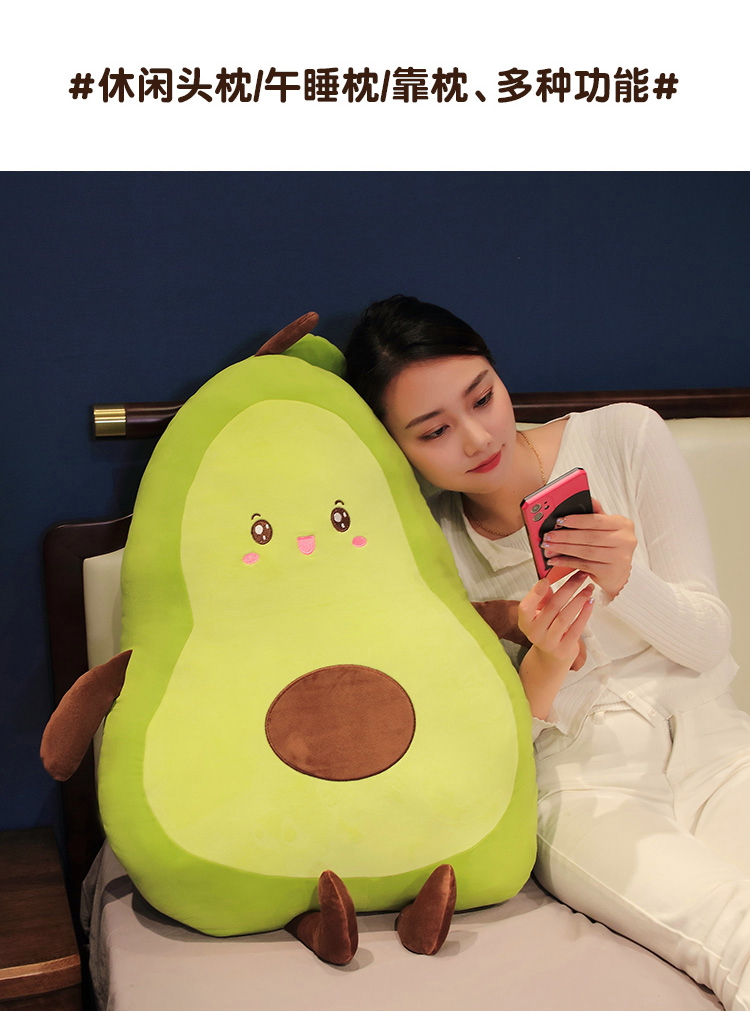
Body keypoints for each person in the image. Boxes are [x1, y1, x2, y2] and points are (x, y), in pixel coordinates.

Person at [345, 294, 750, 1011]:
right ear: (396, 448)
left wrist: (627, 582)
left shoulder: (624, 436)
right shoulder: (422, 546)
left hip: (711, 739)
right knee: (734, 929)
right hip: (584, 782)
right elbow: (480, 756)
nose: (477, 437)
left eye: (482, 397)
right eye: (435, 430)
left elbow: (708, 640)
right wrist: (543, 665)